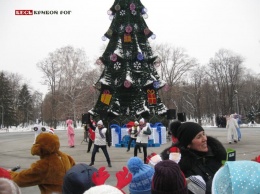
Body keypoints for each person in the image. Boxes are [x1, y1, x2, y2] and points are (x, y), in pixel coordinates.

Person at [161, 121, 227, 194]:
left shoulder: (215, 154)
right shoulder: (183, 167)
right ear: (188, 144)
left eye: (203, 134)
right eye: (199, 137)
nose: (204, 139)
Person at [9, 133, 75, 194]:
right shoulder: (65, 156)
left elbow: (20, 180)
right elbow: (74, 168)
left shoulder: (45, 165)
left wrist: (9, 174)